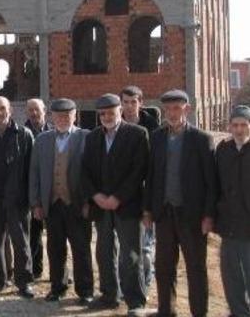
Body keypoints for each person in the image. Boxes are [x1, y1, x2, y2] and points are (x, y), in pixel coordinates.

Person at [143, 90, 216, 317]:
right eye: (168, 109)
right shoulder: (156, 137)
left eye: (177, 108)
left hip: (192, 215)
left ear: (187, 109)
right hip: (164, 213)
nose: (172, 113)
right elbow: (150, 176)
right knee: (164, 267)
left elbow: (211, 182)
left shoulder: (201, 139)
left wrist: (208, 215)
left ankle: (199, 312)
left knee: (195, 267)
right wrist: (148, 210)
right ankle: (166, 310)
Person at [82, 93, 148, 314]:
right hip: (101, 207)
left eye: (111, 112)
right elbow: (85, 171)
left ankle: (135, 301)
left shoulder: (137, 134)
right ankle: (109, 295)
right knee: (104, 252)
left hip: (128, 206)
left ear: (120, 111)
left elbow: (139, 171)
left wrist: (117, 198)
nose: (107, 117)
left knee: (131, 256)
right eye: (102, 114)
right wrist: (96, 196)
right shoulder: (92, 137)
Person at [28, 98, 94, 305]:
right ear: (52, 117)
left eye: (67, 115)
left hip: (77, 203)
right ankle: (58, 287)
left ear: (75, 116)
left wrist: (88, 202)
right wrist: (36, 203)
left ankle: (85, 290)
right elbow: (34, 173)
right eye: (59, 116)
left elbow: (93, 173)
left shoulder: (86, 137)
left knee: (81, 249)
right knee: (55, 249)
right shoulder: (42, 140)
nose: (63, 119)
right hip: (52, 203)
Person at [0, 96, 35, 298]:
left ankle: (24, 282)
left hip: (18, 200)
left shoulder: (24, 134)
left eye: (2, 108)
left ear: (10, 110)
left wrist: (30, 198)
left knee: (21, 244)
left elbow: (31, 169)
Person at [215, 105, 250, 317]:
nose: (239, 130)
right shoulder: (223, 150)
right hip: (229, 224)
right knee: (231, 275)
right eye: (235, 125)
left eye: (243, 125)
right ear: (229, 127)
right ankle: (239, 312)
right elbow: (216, 185)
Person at [121, 85, 160, 292]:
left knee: (145, 246)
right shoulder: (114, 125)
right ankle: (125, 285)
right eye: (125, 102)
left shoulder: (153, 128)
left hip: (145, 194)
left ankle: (145, 283)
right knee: (124, 246)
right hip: (122, 196)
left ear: (141, 103)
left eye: (133, 102)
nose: (129, 106)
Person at [24, 98, 50, 280]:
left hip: (52, 190)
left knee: (57, 236)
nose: (34, 113)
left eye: (37, 110)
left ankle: (59, 271)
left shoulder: (54, 131)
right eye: (30, 110)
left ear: (44, 111)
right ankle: (35, 269)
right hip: (32, 192)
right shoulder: (21, 133)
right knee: (33, 235)